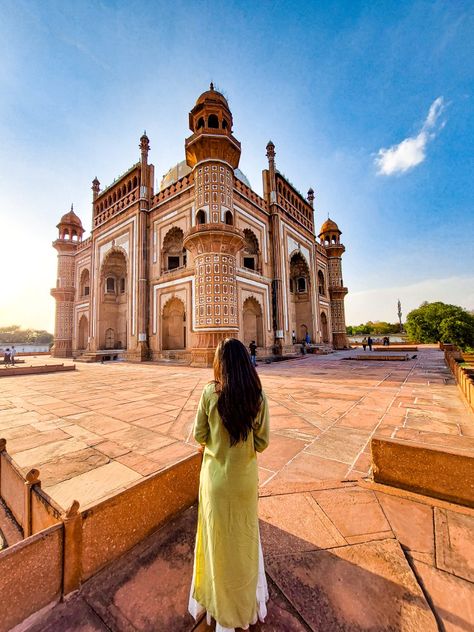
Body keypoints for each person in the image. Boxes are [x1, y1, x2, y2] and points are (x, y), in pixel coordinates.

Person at [189, 338, 270, 631]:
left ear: (219, 363)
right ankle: (245, 603)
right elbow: (262, 441)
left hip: (214, 481)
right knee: (244, 540)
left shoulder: (210, 393)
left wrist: (213, 445)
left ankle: (215, 601)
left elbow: (199, 434)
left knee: (215, 542)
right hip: (244, 481)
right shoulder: (257, 396)